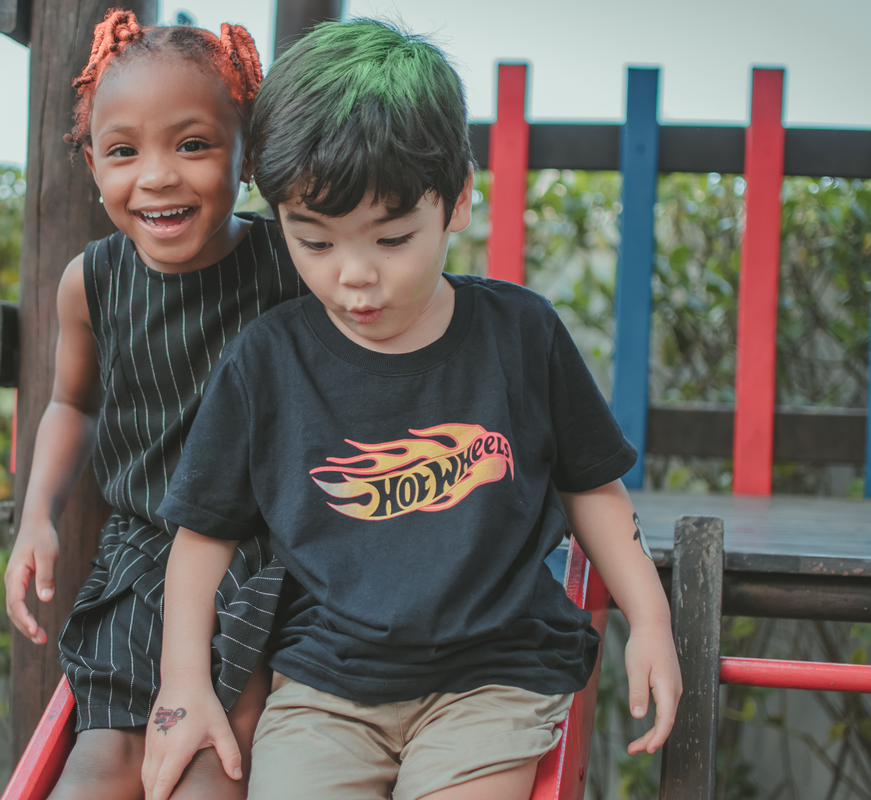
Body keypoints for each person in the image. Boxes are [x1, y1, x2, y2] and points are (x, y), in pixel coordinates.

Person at [143, 19, 682, 800]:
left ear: (457, 201)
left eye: (391, 239)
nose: (354, 277)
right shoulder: (268, 361)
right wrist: (183, 683)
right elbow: (203, 538)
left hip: (492, 679)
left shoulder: (521, 336)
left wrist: (651, 621)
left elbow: (592, 486)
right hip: (326, 687)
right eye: (315, 242)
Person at [1, 11, 306, 800]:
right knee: (106, 754)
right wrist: (38, 513)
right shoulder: (93, 281)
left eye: (193, 144)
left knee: (220, 754)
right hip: (143, 556)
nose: (158, 175)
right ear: (94, 164)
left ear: (247, 159)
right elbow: (73, 403)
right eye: (124, 151)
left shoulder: (288, 264)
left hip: (268, 554)